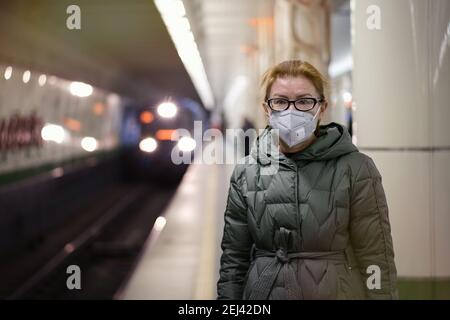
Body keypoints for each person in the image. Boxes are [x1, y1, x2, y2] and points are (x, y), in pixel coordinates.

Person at [217, 60, 398, 300]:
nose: (291, 111)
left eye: (304, 101)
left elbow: (377, 258)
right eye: (280, 101)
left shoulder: (356, 169)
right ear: (267, 109)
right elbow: (233, 262)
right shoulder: (246, 173)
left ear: (322, 108)